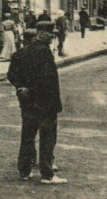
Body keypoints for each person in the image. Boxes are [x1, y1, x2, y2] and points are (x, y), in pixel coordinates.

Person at [7, 30, 67, 185]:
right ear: (41, 35)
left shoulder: (19, 54)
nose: (52, 38)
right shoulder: (44, 53)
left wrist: (22, 88)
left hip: (27, 102)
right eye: (50, 35)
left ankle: (24, 171)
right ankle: (47, 174)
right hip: (45, 102)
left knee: (27, 136)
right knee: (47, 138)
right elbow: (47, 80)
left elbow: (11, 75)